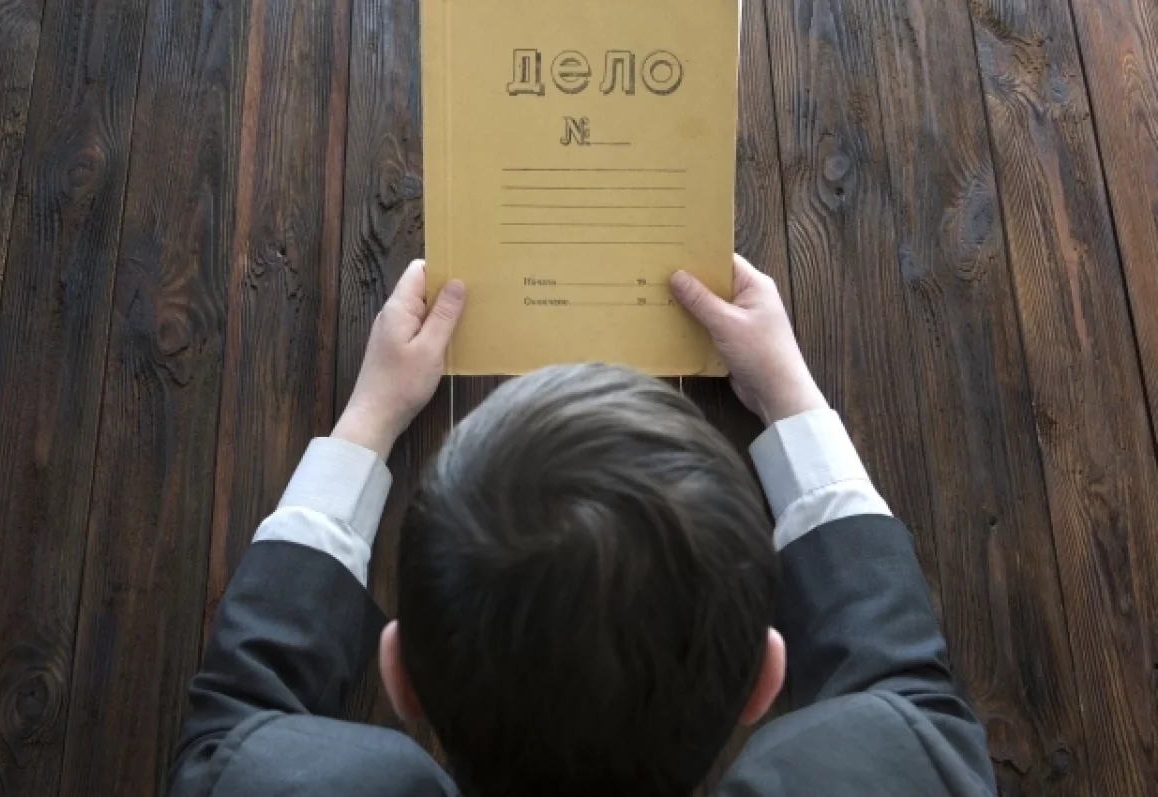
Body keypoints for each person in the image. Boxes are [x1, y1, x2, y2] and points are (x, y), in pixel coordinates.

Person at [169, 255, 995, 797]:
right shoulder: (908, 770)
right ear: (763, 677)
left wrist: (370, 415)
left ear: (399, 674)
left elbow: (237, 717)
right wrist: (788, 393)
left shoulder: (253, 781)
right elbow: (906, 690)